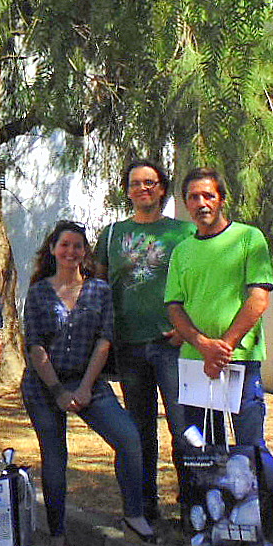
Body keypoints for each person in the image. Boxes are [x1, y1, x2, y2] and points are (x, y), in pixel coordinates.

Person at [163, 167, 273, 546]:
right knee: (203, 451)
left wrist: (225, 346)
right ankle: (213, 535)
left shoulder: (249, 239)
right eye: (193, 197)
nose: (201, 203)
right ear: (186, 203)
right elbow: (175, 307)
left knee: (252, 452)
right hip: (196, 365)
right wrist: (203, 345)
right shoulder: (183, 251)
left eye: (208, 195)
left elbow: (258, 298)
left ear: (221, 199)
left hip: (239, 363)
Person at [22, 220, 156, 546]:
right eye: (64, 245)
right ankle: (57, 534)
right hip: (44, 384)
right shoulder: (38, 292)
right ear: (53, 249)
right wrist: (57, 390)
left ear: (85, 252)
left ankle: (134, 515)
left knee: (129, 438)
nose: (71, 251)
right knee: (55, 457)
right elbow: (35, 346)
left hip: (88, 381)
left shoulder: (99, 290)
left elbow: (104, 340)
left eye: (77, 246)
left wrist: (83, 388)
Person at [93, 159, 197, 525]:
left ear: (162, 189)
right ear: (127, 190)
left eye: (150, 182)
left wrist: (188, 329)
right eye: (136, 183)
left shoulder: (184, 232)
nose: (143, 189)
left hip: (172, 345)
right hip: (129, 346)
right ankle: (145, 508)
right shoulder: (111, 235)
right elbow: (99, 287)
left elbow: (199, 282)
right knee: (139, 432)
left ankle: (193, 509)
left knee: (184, 430)